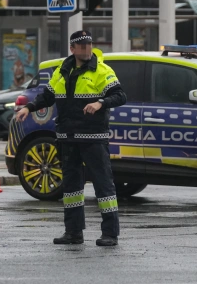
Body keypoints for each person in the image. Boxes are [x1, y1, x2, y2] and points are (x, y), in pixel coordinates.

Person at [15, 30, 127, 246]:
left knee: (104, 186)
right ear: (73, 49)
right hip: (68, 137)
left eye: (90, 45)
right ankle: (73, 232)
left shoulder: (102, 70)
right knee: (71, 188)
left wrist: (100, 103)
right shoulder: (61, 71)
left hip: (93, 138)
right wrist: (28, 108)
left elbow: (120, 95)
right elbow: (47, 97)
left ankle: (110, 234)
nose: (87, 49)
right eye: (82, 45)